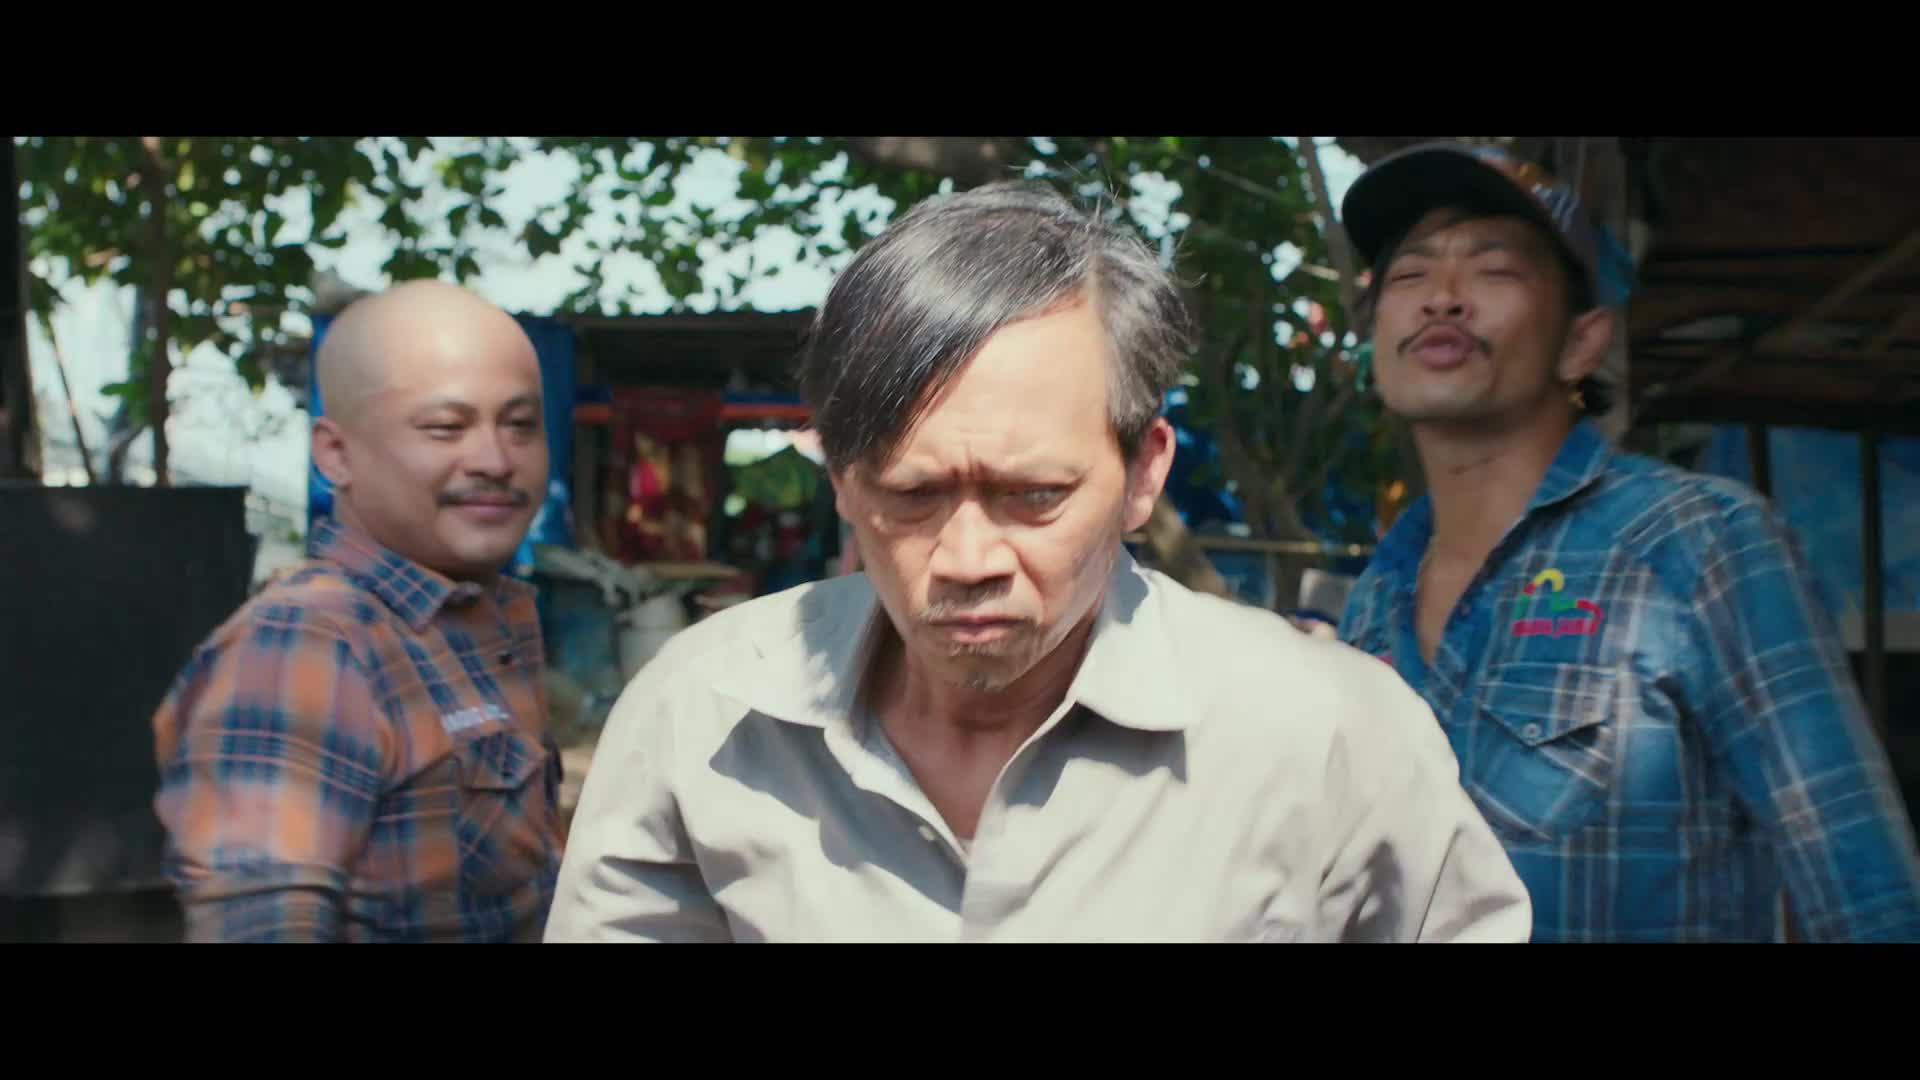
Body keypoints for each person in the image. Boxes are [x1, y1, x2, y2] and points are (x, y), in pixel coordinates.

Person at [546, 180, 1530, 943]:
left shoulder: (1332, 737)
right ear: (842, 480)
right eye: (912, 495)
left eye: (1034, 496)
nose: (968, 558)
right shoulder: (700, 716)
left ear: (1143, 473)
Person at [1335, 142, 1920, 942]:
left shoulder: (1702, 542)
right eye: (1408, 276)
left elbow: (1869, 896)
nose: (1442, 298)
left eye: (1494, 269)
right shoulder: (1377, 594)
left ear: (1582, 343)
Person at [151, 279, 564, 942]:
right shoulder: (304, 645)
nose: (494, 460)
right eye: (445, 428)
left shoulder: (479, 619)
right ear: (335, 454)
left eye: (520, 426)